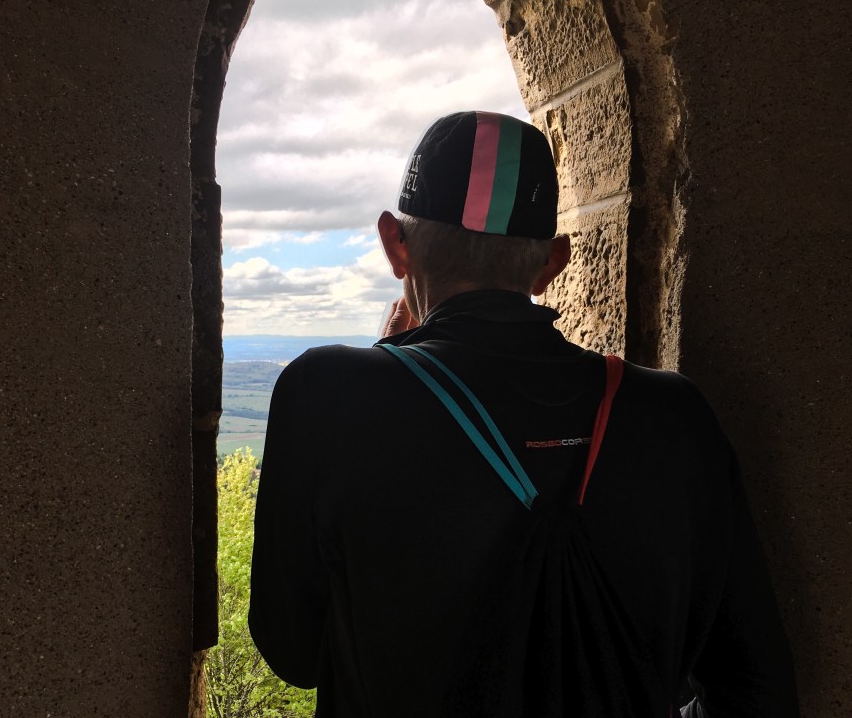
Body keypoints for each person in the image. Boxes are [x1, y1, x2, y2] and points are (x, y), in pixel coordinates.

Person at [248, 111, 798, 717]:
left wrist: (389, 360)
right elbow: (757, 686)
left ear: (393, 244)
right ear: (553, 262)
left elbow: (294, 653)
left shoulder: (328, 394)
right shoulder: (675, 414)